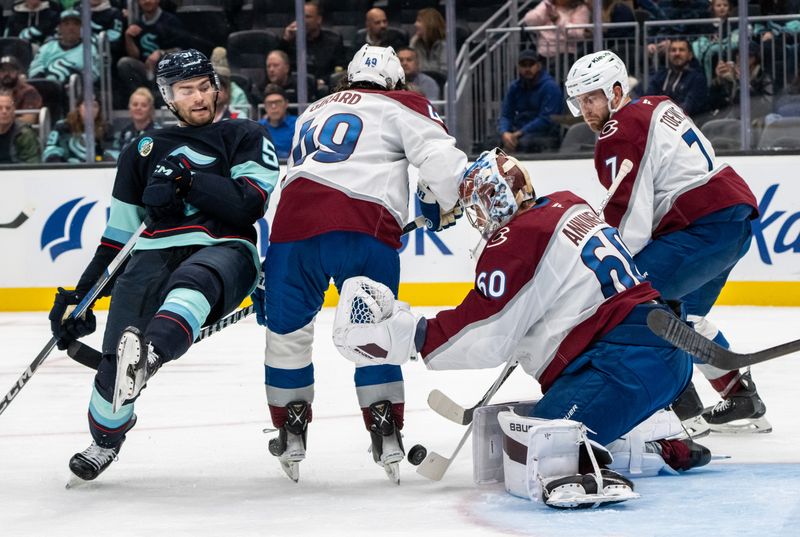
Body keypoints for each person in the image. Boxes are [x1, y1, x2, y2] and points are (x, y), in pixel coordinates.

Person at [332, 148, 709, 507]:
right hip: (662, 357)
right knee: (532, 429)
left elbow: (486, 331)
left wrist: (414, 336)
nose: (476, 219)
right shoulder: (568, 202)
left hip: (624, 367)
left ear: (489, 203)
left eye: (476, 208)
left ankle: (621, 455)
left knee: (533, 453)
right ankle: (660, 437)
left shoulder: (515, 241)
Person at [48, 49, 280, 483]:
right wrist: (80, 299)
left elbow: (249, 203)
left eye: (203, 86)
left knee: (192, 282)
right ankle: (104, 441)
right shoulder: (141, 150)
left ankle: (150, 355)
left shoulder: (244, 135)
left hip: (224, 250)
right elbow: (118, 239)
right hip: (151, 253)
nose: (197, 97)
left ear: (216, 87)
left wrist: (189, 182)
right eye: (184, 90)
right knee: (113, 371)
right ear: (168, 97)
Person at [252, 44, 467, 484]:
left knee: (287, 336)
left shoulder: (312, 110)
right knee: (373, 329)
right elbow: (442, 162)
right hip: (362, 227)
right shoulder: (403, 102)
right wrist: (445, 202)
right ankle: (385, 428)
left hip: (291, 233)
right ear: (395, 81)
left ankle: (291, 428)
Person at [564, 50, 770, 434]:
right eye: (579, 100)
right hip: (732, 220)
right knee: (681, 317)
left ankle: (679, 413)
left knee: (632, 307)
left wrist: (608, 264)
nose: (586, 108)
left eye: (591, 97)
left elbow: (630, 212)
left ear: (615, 90)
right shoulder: (656, 104)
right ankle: (740, 396)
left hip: (702, 225)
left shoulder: (619, 129)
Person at [116, 0, 185, 105]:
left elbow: (181, 50)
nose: (147, 1)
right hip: (146, 69)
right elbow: (135, 56)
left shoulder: (170, 21)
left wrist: (161, 53)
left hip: (166, 70)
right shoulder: (137, 23)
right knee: (124, 63)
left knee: (163, 61)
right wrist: (128, 37)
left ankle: (162, 99)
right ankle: (140, 99)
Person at [498, 49, 562, 154]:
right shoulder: (514, 87)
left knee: (524, 144)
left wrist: (520, 133)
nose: (527, 69)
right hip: (519, 130)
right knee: (491, 142)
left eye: (531, 64)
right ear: (518, 67)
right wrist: (505, 132)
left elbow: (547, 119)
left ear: (538, 66)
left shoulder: (550, 87)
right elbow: (506, 115)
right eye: (523, 65)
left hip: (544, 132)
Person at [279, 1, 346, 89]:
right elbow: (277, 63)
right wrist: (285, 40)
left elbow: (340, 70)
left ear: (319, 19)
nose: (302, 21)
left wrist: (324, 81)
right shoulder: (291, 40)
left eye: (307, 17)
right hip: (295, 88)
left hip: (323, 88)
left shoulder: (333, 41)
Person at [27, 9, 100, 85]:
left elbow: (93, 74)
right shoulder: (47, 47)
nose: (71, 28)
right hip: (46, 89)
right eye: (66, 24)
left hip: (76, 90)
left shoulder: (89, 48)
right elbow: (34, 70)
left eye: (76, 24)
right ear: (59, 28)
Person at [646, 38, 709, 118]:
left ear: (690, 55)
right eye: (673, 50)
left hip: (688, 123)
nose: (677, 53)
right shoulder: (660, 75)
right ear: (668, 55)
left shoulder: (697, 79)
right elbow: (648, 100)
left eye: (681, 50)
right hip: (658, 122)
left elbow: (688, 107)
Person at [42, 95, 113, 163]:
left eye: (95, 106)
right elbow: (50, 150)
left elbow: (112, 152)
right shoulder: (62, 127)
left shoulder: (106, 128)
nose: (90, 109)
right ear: (79, 107)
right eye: (86, 105)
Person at [522, 0, 590, 60]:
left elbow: (578, 32)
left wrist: (558, 20)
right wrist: (545, 4)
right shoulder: (548, 5)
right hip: (543, 54)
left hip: (566, 56)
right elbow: (530, 21)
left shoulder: (581, 8)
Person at [106, 86, 161, 161]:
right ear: (129, 107)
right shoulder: (124, 133)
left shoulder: (159, 134)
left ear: (151, 109)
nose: (138, 108)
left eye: (144, 105)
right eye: (135, 104)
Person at [0, 91, 41, 164]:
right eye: (0, 108)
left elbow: (32, 164)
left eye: (8, 108)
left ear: (13, 110)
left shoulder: (24, 134)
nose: (4, 111)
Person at [0, 55, 42, 125]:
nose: (7, 74)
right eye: (3, 71)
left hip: (21, 132)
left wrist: (4, 122)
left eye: (11, 70)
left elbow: (29, 120)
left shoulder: (29, 91)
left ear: (18, 72)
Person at [258, 84, 296, 160]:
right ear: (265, 106)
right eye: (269, 103)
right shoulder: (258, 127)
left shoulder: (298, 124)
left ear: (286, 104)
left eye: (278, 102)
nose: (273, 107)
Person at [409, 7, 446, 74]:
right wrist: (412, 44)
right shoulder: (415, 42)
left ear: (430, 23)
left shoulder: (444, 45)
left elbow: (445, 74)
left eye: (419, 21)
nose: (415, 24)